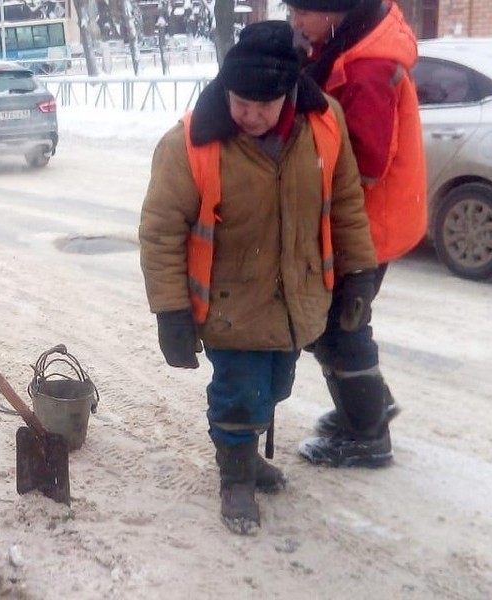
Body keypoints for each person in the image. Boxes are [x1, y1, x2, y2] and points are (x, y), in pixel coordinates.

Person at [139, 21, 377, 535]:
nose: (250, 115)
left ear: (290, 92)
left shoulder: (324, 124)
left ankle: (245, 452)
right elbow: (160, 233)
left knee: (274, 387)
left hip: (296, 300)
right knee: (240, 393)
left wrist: (359, 274)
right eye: (240, 102)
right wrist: (171, 311)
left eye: (263, 106)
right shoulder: (190, 144)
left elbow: (346, 205)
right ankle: (236, 477)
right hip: (229, 305)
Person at [286, 0, 426, 468]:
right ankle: (368, 404)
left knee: (339, 326)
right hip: (359, 218)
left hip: (366, 223)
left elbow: (366, 163)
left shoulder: (369, 66)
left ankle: (368, 435)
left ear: (333, 9)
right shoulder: (342, 42)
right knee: (333, 324)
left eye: (303, 11)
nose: (295, 21)